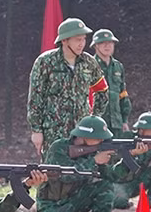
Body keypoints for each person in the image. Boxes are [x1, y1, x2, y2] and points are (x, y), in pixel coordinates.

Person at [37, 116, 146, 212]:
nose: (102, 140)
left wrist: (130, 157)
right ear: (83, 136)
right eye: (98, 137)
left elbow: (112, 175)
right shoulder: (59, 148)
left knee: (105, 185)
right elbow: (65, 176)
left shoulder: (96, 149)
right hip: (53, 202)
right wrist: (94, 161)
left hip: (77, 197)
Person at [28, 17, 108, 157]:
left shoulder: (89, 62)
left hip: (82, 131)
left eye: (83, 39)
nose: (82, 44)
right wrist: (36, 130)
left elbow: (102, 90)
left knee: (84, 170)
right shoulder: (45, 62)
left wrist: (93, 119)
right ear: (64, 40)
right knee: (53, 172)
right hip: (53, 131)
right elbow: (35, 98)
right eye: (77, 40)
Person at [91, 29, 131, 136]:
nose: (107, 46)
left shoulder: (118, 66)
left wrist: (124, 120)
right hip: (96, 122)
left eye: (110, 43)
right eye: (102, 43)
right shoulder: (89, 65)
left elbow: (122, 94)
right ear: (95, 46)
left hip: (116, 123)